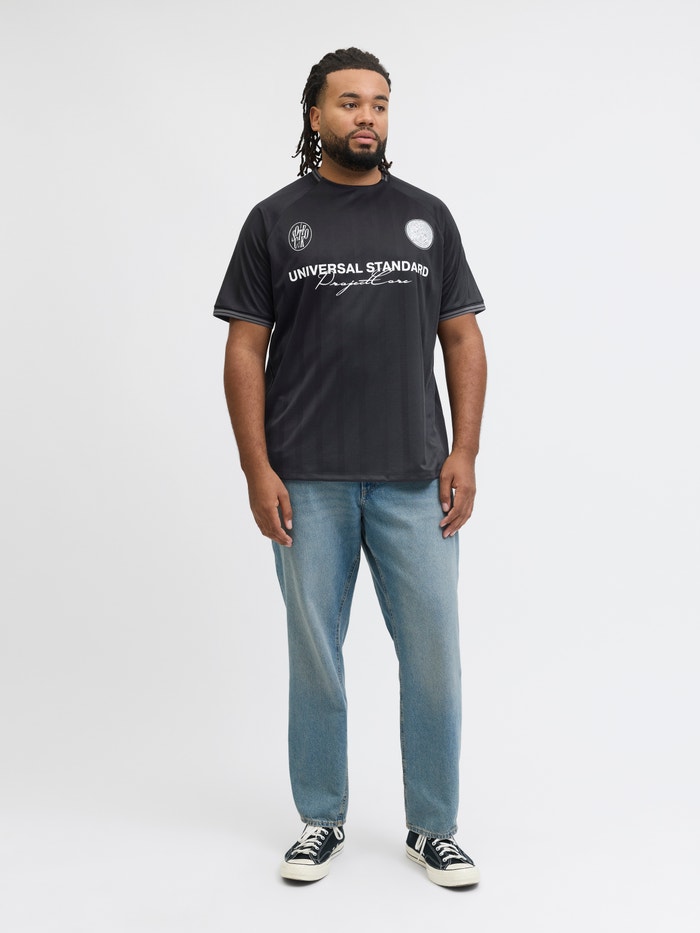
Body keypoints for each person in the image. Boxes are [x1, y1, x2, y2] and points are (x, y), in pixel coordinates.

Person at [213, 47, 487, 888]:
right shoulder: (274, 221)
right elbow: (244, 349)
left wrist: (465, 450)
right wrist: (257, 469)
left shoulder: (427, 217)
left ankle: (433, 827)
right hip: (308, 479)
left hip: (415, 477)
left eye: (379, 104)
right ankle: (320, 818)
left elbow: (463, 338)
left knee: (434, 656)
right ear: (316, 116)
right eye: (349, 103)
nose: (367, 117)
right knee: (317, 657)